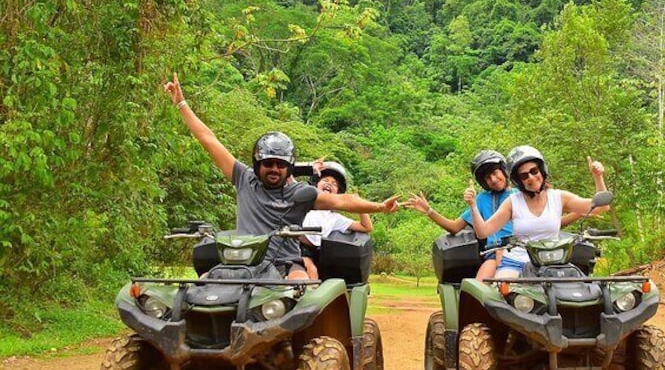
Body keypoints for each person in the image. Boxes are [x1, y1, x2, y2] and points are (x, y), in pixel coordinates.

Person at [163, 73, 398, 279]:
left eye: (280, 164)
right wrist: (181, 103)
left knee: (301, 286)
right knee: (202, 285)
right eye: (268, 163)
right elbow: (209, 139)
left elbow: (342, 201)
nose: (274, 169)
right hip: (241, 263)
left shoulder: (300, 193)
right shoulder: (243, 178)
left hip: (285, 263)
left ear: (289, 167)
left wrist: (379, 206)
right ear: (257, 164)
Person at [464, 146, 609, 278]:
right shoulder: (513, 202)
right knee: (502, 291)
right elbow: (483, 232)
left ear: (542, 170)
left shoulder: (558, 197)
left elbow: (600, 207)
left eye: (534, 171)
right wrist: (473, 205)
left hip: (554, 261)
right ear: (518, 180)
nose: (531, 178)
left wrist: (598, 177)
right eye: (524, 175)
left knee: (578, 293)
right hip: (517, 261)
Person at [404, 150, 516, 280]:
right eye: (488, 178)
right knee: (476, 290)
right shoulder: (481, 199)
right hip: (493, 252)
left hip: (521, 250)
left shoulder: (520, 195)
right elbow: (455, 227)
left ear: (504, 170)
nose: (493, 179)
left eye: (495, 173)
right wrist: (429, 210)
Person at [300, 161, 373, 279]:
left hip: (313, 253)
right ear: (315, 184)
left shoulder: (335, 218)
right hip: (292, 243)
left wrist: (360, 205)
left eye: (334, 184)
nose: (329, 184)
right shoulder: (304, 201)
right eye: (325, 180)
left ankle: (311, 295)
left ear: (338, 193)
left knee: (311, 270)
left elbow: (366, 227)